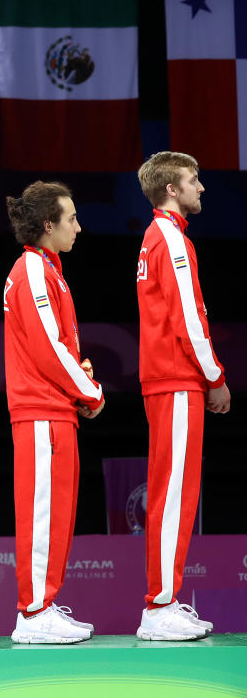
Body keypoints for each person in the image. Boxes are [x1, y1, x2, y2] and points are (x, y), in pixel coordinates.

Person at [2, 182, 104, 643]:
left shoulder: (47, 269)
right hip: (42, 410)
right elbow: (47, 350)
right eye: (72, 218)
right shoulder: (33, 271)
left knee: (57, 513)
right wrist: (90, 392)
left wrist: (77, 383)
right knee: (42, 513)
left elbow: (59, 346)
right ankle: (33, 612)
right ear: (49, 224)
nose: (79, 227)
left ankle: (43, 604)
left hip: (53, 409)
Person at [134, 152, 229, 641]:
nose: (202, 188)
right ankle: (160, 604)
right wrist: (215, 376)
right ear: (172, 188)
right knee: (173, 493)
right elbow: (189, 318)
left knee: (175, 491)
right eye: (195, 180)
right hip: (176, 379)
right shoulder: (170, 238)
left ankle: (163, 600)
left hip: (171, 379)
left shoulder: (165, 236)